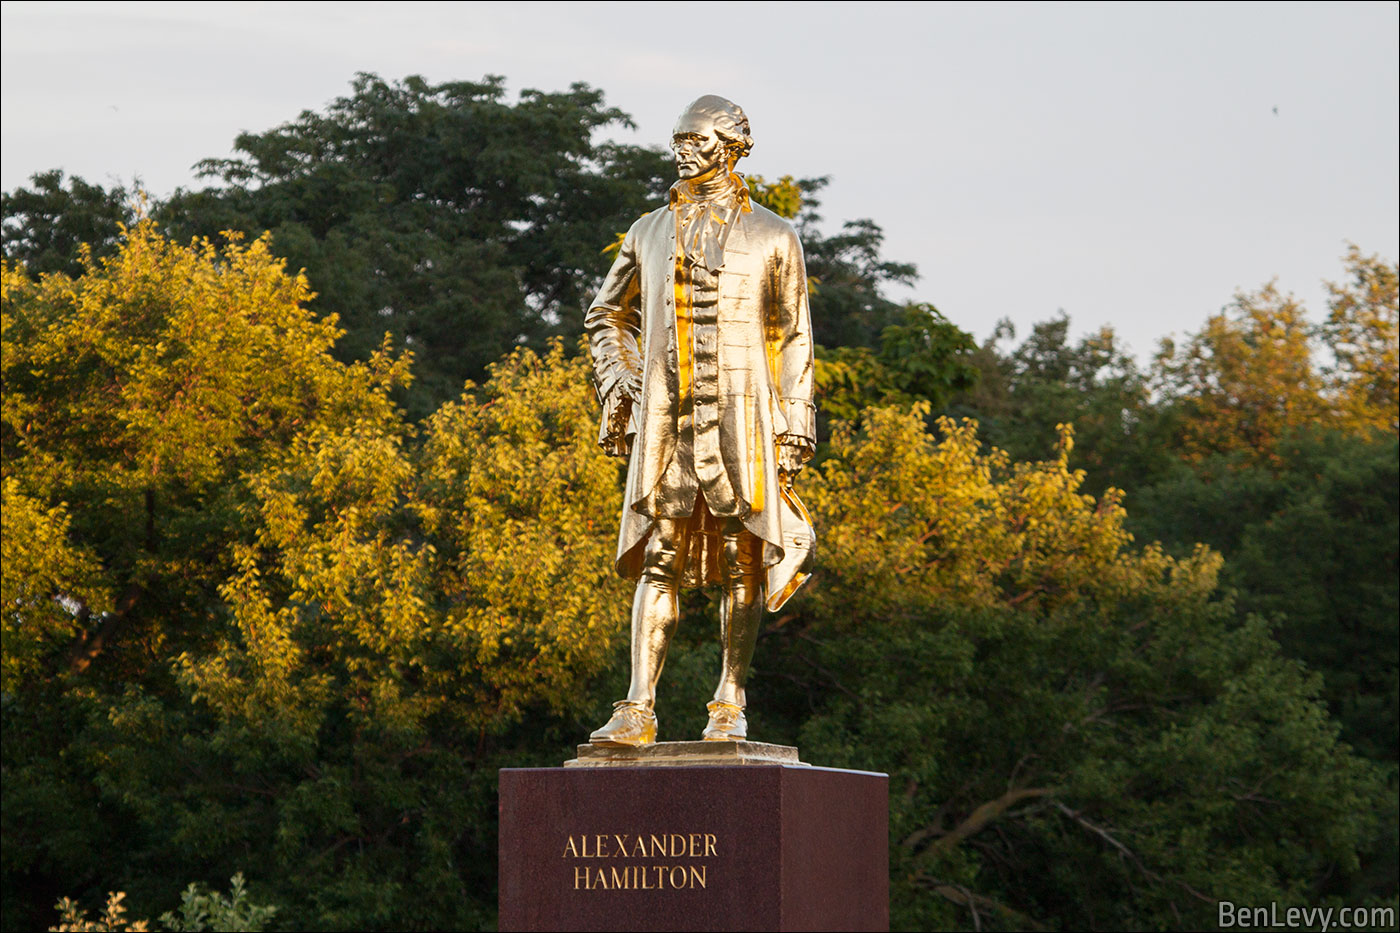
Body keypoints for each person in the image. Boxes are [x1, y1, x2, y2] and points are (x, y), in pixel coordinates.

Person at [584, 94, 816, 746]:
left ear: (732, 145)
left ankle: (729, 699)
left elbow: (793, 332)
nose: (683, 148)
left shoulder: (774, 236)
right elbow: (607, 314)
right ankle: (637, 705)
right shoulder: (647, 230)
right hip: (668, 418)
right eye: (678, 137)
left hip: (742, 416)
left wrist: (796, 425)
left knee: (744, 562)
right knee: (658, 553)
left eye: (697, 138)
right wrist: (619, 374)